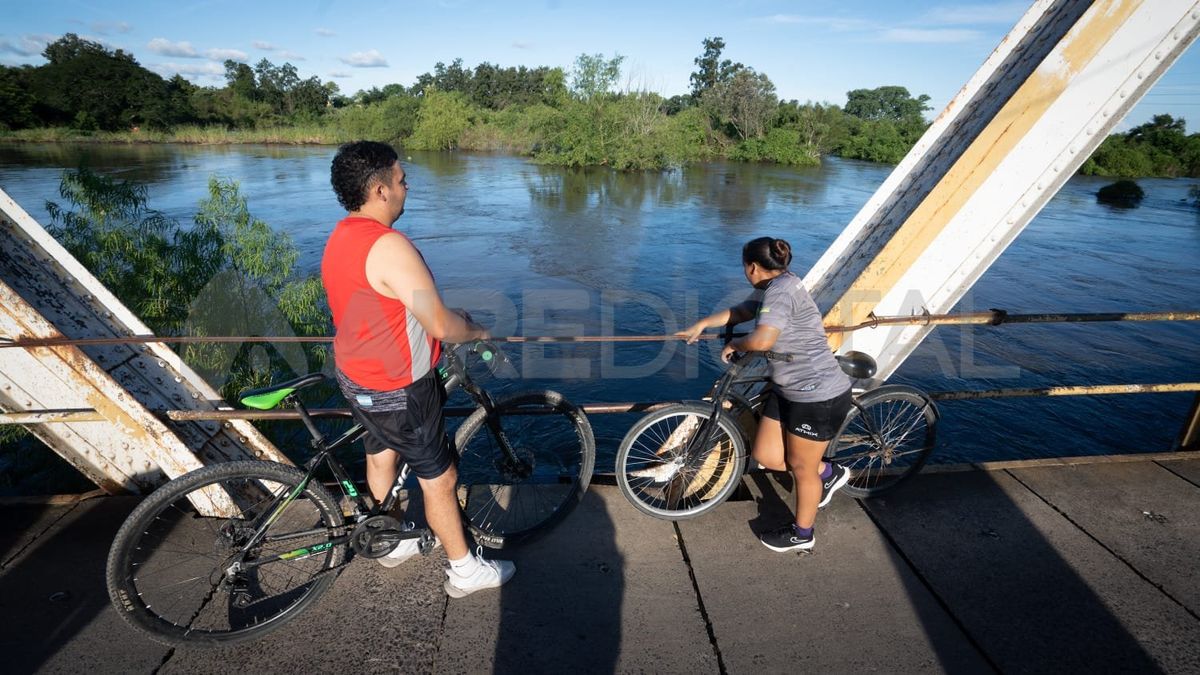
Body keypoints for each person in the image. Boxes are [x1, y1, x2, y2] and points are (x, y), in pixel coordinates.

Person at [322, 140, 514, 596]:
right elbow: (441, 326)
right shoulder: (390, 246)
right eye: (402, 179)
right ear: (380, 190)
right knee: (440, 478)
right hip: (400, 388)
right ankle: (465, 570)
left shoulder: (343, 234)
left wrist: (443, 317)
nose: (407, 187)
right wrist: (476, 330)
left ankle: (388, 541)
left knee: (380, 455)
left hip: (357, 376)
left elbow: (381, 302)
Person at [677, 236, 852, 551]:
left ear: (752, 267)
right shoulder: (777, 284)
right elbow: (746, 309)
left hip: (816, 394)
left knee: (801, 467)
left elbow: (763, 340)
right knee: (766, 455)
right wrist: (704, 323)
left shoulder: (781, 292)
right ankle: (827, 472)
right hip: (787, 388)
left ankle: (802, 534)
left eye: (744, 266)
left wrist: (735, 344)